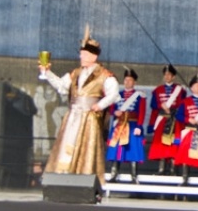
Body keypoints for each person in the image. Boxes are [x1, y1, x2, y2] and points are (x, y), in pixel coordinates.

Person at [38, 28, 119, 192]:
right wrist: (47, 73)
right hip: (73, 116)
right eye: (81, 53)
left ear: (93, 56)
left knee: (86, 148)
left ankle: (85, 179)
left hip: (89, 118)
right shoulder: (75, 73)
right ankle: (63, 174)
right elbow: (62, 87)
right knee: (67, 144)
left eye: (83, 54)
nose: (80, 56)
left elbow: (113, 94)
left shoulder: (104, 75)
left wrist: (100, 105)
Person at [106, 68, 147, 182]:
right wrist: (115, 112)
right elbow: (111, 109)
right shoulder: (117, 95)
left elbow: (142, 112)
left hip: (132, 124)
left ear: (134, 82)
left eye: (130, 80)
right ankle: (114, 174)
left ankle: (134, 175)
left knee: (133, 150)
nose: (127, 82)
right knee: (116, 149)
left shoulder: (139, 96)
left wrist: (139, 126)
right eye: (126, 80)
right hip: (119, 124)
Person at [147, 64, 185, 176]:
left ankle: (173, 169)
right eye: (166, 74)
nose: (167, 76)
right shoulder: (158, 90)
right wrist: (161, 105)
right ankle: (161, 169)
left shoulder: (180, 90)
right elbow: (153, 104)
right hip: (162, 119)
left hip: (174, 120)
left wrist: (173, 109)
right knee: (161, 144)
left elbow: (183, 104)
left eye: (169, 75)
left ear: (173, 76)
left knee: (173, 144)